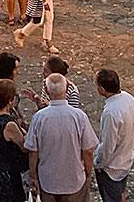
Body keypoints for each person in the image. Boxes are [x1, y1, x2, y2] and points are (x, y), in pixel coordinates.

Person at [24, 72, 98, 202]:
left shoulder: (39, 118)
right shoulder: (79, 117)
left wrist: (33, 177)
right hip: (75, 180)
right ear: (66, 89)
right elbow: (88, 151)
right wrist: (88, 174)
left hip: (48, 181)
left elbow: (33, 152)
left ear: (46, 90)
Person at [93, 68, 134, 202]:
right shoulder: (129, 98)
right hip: (125, 158)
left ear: (102, 89)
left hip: (112, 167)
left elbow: (108, 145)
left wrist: (100, 163)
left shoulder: (111, 113)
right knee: (120, 193)